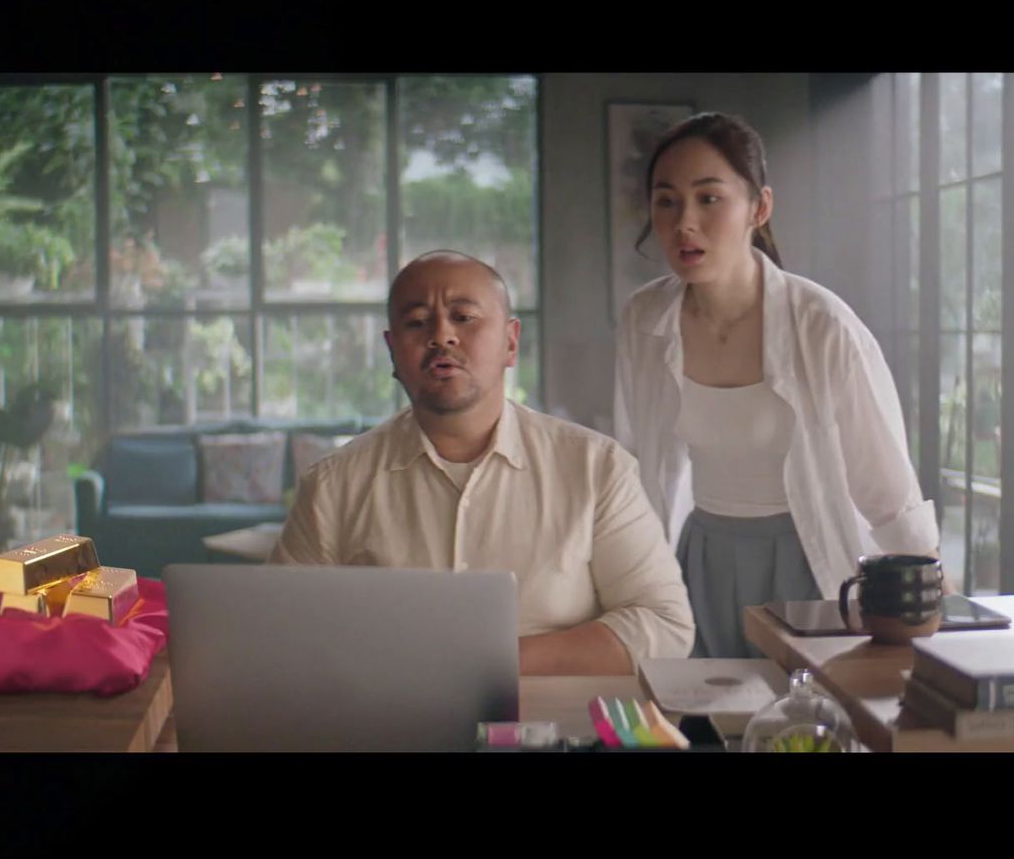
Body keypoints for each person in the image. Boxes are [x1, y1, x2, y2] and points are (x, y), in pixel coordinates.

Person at [270, 250, 694, 674]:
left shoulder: (595, 468)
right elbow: (280, 631)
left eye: (464, 317)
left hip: (558, 726)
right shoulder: (333, 485)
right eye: (417, 322)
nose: (442, 336)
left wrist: (495, 659)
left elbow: (664, 624)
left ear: (511, 342)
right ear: (391, 351)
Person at [613, 112, 938, 658]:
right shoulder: (643, 320)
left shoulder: (822, 325)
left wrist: (931, 596)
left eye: (709, 198)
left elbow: (886, 489)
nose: (684, 222)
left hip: (808, 560)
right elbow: (633, 463)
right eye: (666, 201)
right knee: (700, 728)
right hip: (700, 559)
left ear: (758, 208)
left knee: (801, 731)